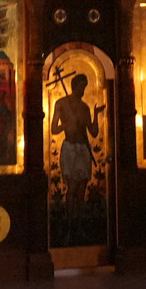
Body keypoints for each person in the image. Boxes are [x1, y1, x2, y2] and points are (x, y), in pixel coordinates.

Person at [48, 73, 99, 202]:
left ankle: (79, 215)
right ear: (74, 87)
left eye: (85, 87)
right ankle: (70, 215)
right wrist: (67, 124)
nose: (83, 90)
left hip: (83, 148)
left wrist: (96, 114)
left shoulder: (84, 108)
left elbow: (93, 132)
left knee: (82, 188)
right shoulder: (62, 103)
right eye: (81, 87)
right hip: (70, 148)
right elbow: (54, 129)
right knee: (72, 186)